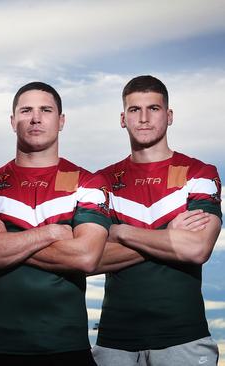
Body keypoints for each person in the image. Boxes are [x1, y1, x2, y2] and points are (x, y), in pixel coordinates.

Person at [0, 82, 111, 366]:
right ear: (12, 121)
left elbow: (85, 257)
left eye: (46, 110)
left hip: (66, 345)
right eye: (26, 110)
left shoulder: (89, 182)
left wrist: (9, 240)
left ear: (61, 121)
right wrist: (52, 233)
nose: (35, 118)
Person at [92, 75, 222, 366]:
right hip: (115, 341)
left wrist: (120, 231)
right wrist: (167, 235)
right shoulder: (100, 181)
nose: (144, 118)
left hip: (183, 338)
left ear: (169, 115)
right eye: (135, 110)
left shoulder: (199, 173)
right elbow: (89, 259)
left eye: (154, 108)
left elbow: (197, 249)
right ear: (123, 118)